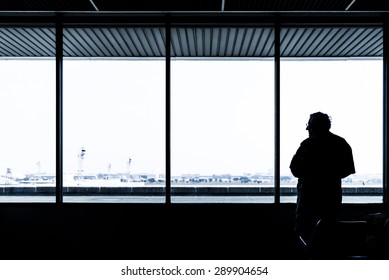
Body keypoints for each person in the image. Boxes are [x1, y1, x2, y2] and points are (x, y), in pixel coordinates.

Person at [290, 112, 355, 241]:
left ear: (314, 127)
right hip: (331, 198)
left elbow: (294, 169)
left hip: (308, 198)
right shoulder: (341, 144)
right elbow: (348, 169)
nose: (307, 129)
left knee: (304, 234)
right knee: (329, 235)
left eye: (309, 125)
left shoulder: (307, 145)